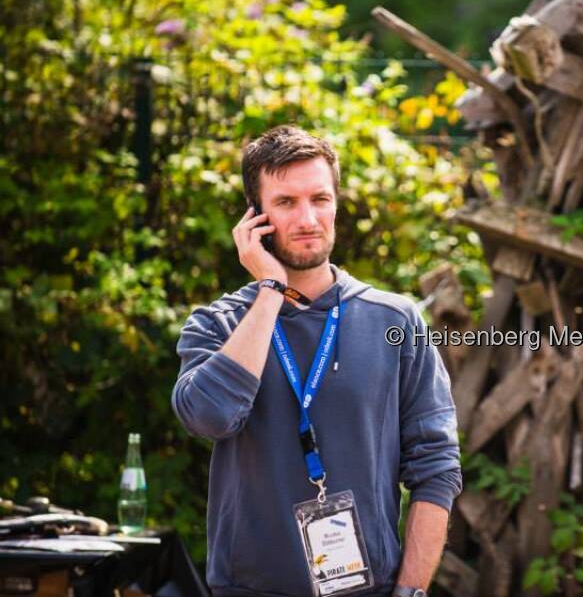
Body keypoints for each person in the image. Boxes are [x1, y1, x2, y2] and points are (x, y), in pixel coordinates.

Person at [173, 125, 461, 597]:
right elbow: (209, 417)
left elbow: (437, 467)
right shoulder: (219, 325)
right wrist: (270, 291)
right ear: (255, 215)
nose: (308, 218)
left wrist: (410, 592)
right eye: (286, 202)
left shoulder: (396, 320)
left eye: (320, 199)